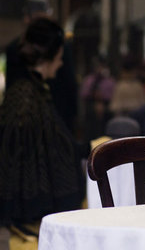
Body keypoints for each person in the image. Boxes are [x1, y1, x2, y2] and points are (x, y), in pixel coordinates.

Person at [0, 18, 89, 228]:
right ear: (50, 58)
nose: (60, 64)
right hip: (29, 214)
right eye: (59, 58)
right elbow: (39, 148)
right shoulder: (27, 97)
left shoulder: (30, 92)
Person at [5, 0, 79, 135]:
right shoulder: (61, 44)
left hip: (30, 124)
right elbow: (70, 86)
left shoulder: (14, 48)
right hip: (55, 121)